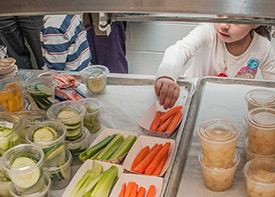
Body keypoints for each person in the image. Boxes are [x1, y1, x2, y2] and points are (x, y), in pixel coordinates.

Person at [155, 16, 275, 109]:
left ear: (256, 21)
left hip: (230, 104)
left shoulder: (263, 47)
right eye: (220, 14)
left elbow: (272, 83)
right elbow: (180, 49)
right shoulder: (208, 31)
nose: (223, 25)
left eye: (235, 20)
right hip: (193, 100)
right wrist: (167, 75)